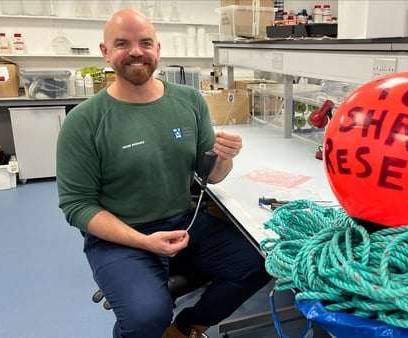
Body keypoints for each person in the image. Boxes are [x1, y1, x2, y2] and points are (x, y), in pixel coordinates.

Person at [56, 8, 272, 338]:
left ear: (157, 48)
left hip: (184, 224)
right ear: (105, 52)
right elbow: (77, 206)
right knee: (145, 318)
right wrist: (144, 241)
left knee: (263, 261)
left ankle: (187, 327)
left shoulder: (188, 101)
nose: (136, 52)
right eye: (122, 44)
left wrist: (225, 158)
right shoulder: (84, 121)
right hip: (121, 237)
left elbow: (207, 175)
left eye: (145, 42)